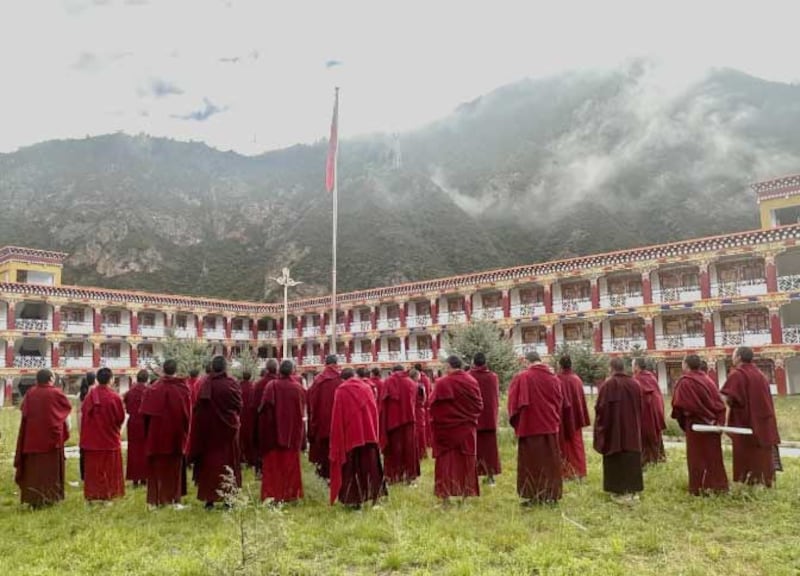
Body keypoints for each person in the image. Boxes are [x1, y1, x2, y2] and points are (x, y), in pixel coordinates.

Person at [188, 355, 243, 509]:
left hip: (209, 432)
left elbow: (198, 408)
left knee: (210, 465)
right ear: (225, 367)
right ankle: (228, 500)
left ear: (212, 367)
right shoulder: (231, 383)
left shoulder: (205, 384)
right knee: (228, 463)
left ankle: (209, 500)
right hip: (228, 432)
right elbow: (238, 405)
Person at [508, 351, 563, 504]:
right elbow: (559, 401)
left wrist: (516, 422)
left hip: (530, 426)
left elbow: (514, 404)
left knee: (532, 463)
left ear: (527, 361)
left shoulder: (523, 377)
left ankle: (534, 496)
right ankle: (552, 495)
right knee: (550, 462)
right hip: (550, 426)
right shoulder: (553, 378)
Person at [720, 346, 780, 487]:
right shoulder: (760, 375)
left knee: (747, 453)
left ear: (739, 357)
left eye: (733, 355)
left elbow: (726, 397)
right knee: (761, 454)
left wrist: (724, 419)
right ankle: (765, 482)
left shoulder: (737, 374)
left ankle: (748, 483)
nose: (732, 358)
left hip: (746, 422)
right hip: (764, 421)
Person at [14, 369, 72, 507]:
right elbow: (64, 414)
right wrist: (67, 430)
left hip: (32, 439)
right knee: (49, 471)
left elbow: (25, 415)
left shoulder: (30, 393)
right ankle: (50, 498)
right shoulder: (56, 393)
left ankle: (33, 499)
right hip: (51, 440)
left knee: (34, 471)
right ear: (51, 379)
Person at [671, 354, 728, 495]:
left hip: (695, 426)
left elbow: (679, 406)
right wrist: (717, 422)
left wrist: (683, 421)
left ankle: (699, 487)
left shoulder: (685, 382)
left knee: (697, 457)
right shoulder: (708, 380)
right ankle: (717, 486)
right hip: (712, 425)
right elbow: (719, 405)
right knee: (713, 456)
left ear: (686, 365)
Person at [329, 368, 387, 507]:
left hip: (351, 436)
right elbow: (374, 412)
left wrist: (337, 439)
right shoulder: (366, 388)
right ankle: (375, 497)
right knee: (371, 467)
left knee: (352, 469)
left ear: (343, 379)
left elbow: (337, 418)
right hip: (369, 434)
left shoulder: (341, 391)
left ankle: (354, 501)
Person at [429, 356, 483, 501]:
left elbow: (432, 405)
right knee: (466, 460)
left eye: (445, 366)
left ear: (448, 366)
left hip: (446, 430)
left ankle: (445, 496)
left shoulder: (442, 383)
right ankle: (466, 494)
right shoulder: (472, 381)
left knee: (447, 463)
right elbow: (479, 406)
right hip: (467, 428)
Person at [140, 359, 192, 507]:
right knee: (173, 469)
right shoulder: (182, 389)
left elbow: (145, 415)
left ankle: (155, 501)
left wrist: (148, 434)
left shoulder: (153, 389)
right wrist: (185, 433)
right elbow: (187, 415)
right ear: (176, 370)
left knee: (156, 469)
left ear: (163, 370)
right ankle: (173, 500)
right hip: (175, 435)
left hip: (156, 436)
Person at [594, 358, 643, 501]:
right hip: (632, 431)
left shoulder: (608, 385)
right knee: (631, 458)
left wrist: (601, 428)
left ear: (611, 368)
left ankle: (618, 491)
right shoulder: (635, 384)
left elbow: (601, 409)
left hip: (613, 431)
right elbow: (641, 407)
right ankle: (632, 490)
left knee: (616, 458)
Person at [258, 360, 306, 503]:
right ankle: (291, 494)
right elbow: (301, 411)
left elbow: (264, 410)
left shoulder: (271, 386)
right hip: (292, 434)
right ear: (292, 371)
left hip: (273, 434)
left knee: (273, 466)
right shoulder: (298, 388)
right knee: (290, 465)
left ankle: (272, 494)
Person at [80, 367, 126, 502]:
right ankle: (108, 496)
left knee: (94, 470)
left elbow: (84, 414)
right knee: (109, 470)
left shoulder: (89, 397)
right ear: (111, 380)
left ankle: (93, 495)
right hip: (109, 439)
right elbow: (120, 418)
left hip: (92, 440)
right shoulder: (114, 397)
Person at [379, 365, 419, 484]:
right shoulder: (411, 383)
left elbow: (383, 405)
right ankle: (409, 476)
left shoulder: (387, 382)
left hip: (392, 423)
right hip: (408, 421)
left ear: (393, 371)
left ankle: (393, 476)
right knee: (408, 450)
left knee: (394, 450)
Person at [307, 355, 343, 479]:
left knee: (323, 451)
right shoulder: (341, 379)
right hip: (338, 422)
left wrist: (313, 422)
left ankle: (323, 474)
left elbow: (312, 402)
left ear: (325, 364)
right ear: (336, 364)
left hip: (322, 422)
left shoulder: (318, 380)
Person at [469, 352, 501, 485]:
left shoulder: (469, 377)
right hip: (489, 418)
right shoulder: (493, 377)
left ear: (473, 363)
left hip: (473, 419)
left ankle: (472, 476)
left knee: (473, 449)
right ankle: (490, 476)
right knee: (490, 450)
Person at [557, 354, 590, 480]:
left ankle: (566, 473)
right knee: (576, 446)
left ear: (560, 366)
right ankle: (580, 472)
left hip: (562, 419)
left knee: (564, 446)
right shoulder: (577, 379)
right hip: (575, 418)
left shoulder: (558, 379)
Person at [633, 358, 666, 466]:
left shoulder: (637, 379)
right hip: (656, 411)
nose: (632, 368)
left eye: (633, 365)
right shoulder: (651, 377)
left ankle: (647, 460)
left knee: (646, 436)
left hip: (646, 412)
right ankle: (658, 458)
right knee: (655, 434)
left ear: (637, 366)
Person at [123, 369, 149, 487]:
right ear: (147, 379)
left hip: (133, 424)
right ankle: (144, 477)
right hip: (145, 424)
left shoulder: (130, 392)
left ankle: (134, 479)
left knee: (133, 451)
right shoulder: (149, 391)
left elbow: (125, 404)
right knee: (144, 450)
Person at [78, 371, 96, 482]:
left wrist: (80, 429)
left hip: (83, 425)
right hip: (94, 425)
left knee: (84, 451)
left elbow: (78, 413)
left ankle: (84, 475)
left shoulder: (80, 395)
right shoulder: (95, 392)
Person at [238, 370, 258, 468]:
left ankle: (241, 459)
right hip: (250, 417)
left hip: (240, 416)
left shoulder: (238, 387)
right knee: (250, 438)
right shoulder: (253, 387)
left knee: (240, 438)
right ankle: (250, 460)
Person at [409, 369, 428, 462]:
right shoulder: (420, 386)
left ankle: (414, 452)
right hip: (419, 410)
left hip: (410, 410)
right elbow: (424, 399)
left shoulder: (408, 386)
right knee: (421, 431)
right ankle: (422, 452)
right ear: (416, 376)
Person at [414, 363, 433, 450]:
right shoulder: (427, 379)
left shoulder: (417, 380)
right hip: (426, 404)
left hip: (419, 405)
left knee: (419, 426)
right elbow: (430, 391)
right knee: (426, 425)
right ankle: (428, 442)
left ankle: (422, 445)